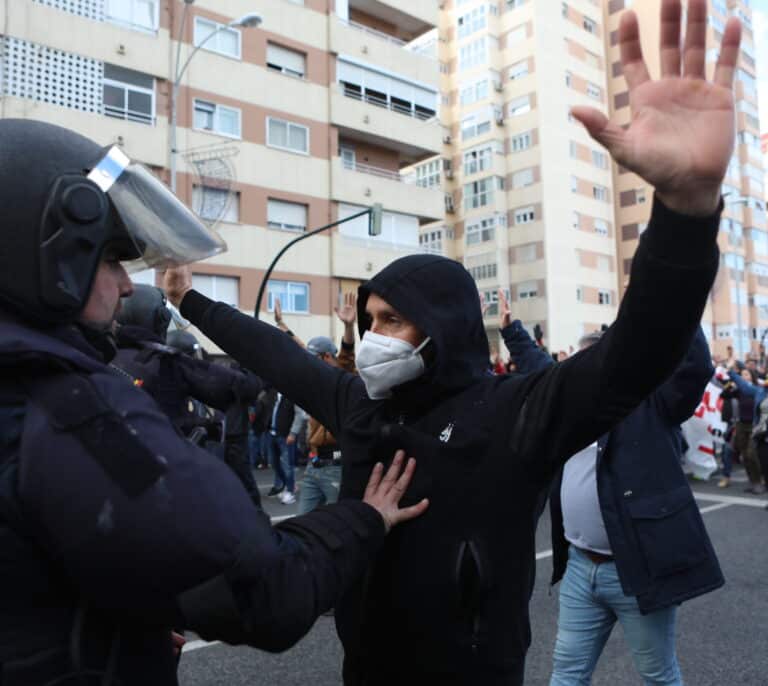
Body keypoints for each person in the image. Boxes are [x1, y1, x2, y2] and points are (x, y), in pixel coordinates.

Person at [164, 4, 741, 682]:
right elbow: (276, 354)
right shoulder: (358, 406)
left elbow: (640, 349)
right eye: (368, 319)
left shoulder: (516, 413)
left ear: (443, 330)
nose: (373, 337)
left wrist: (684, 212)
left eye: (393, 321)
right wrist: (188, 301)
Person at [0, 119, 428, 685]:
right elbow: (265, 587)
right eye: (110, 259)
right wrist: (363, 519)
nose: (127, 286)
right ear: (52, 255)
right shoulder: (74, 411)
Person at [501, 310, 723, 686]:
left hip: (637, 570)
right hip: (578, 568)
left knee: (657, 674)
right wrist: (510, 330)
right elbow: (539, 369)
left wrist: (682, 298)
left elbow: (694, 367)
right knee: (567, 672)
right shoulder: (568, 405)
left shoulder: (655, 401)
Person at [275, 293, 358, 515]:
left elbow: (347, 358)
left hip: (336, 467)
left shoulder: (343, 377)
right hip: (314, 466)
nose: (309, 361)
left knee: (338, 524)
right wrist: (282, 324)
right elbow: (300, 347)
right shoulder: (318, 378)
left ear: (325, 357)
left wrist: (349, 327)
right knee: (303, 521)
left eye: (314, 357)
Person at [723, 368, 767, 495]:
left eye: (746, 374)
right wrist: (731, 377)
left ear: (752, 376)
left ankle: (760, 482)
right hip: (743, 425)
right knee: (745, 455)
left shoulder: (757, 388)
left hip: (757, 429)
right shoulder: (756, 391)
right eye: (742, 375)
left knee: (751, 454)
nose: (744, 377)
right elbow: (725, 394)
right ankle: (754, 482)